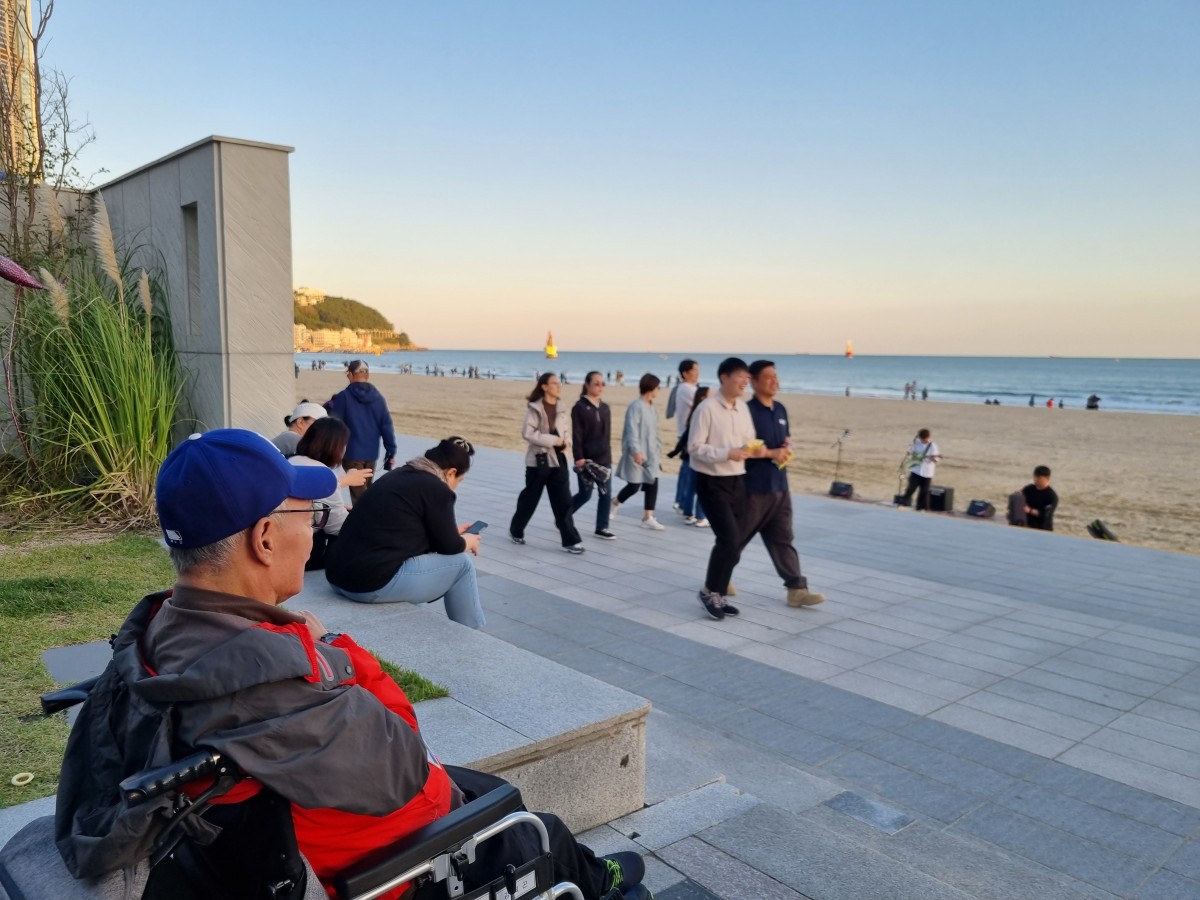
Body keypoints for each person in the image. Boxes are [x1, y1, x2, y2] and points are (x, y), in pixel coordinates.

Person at [53, 429, 650, 900]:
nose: (314, 533)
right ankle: (599, 884)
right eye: (308, 517)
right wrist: (336, 649)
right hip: (380, 868)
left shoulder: (157, 636)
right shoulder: (277, 680)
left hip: (270, 841)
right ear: (265, 538)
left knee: (492, 790)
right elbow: (407, 759)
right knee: (530, 824)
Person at [325, 437, 486, 627]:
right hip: (368, 585)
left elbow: (402, 529)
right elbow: (450, 546)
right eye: (460, 480)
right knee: (462, 564)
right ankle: (474, 634)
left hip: (338, 577)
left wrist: (451, 532)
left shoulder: (399, 475)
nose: (457, 485)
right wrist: (468, 541)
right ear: (451, 473)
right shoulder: (437, 488)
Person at [738, 361, 825, 607]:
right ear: (753, 381)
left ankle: (797, 589)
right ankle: (718, 580)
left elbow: (785, 439)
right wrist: (770, 453)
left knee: (783, 538)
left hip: (780, 486)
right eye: (768, 377)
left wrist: (786, 447)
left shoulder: (780, 410)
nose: (774, 381)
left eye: (775, 376)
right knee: (735, 539)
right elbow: (743, 448)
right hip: (753, 488)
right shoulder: (746, 412)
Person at [688, 357, 767, 620]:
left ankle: (718, 594)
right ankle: (708, 592)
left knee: (736, 540)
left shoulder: (742, 408)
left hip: (738, 479)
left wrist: (756, 449)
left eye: (748, 378)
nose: (745, 382)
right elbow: (694, 448)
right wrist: (726, 453)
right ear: (724, 377)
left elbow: (748, 440)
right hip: (711, 480)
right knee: (728, 538)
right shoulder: (707, 408)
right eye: (740, 377)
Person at [509, 373, 586, 554]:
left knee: (564, 501)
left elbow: (565, 431)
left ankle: (570, 541)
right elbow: (528, 433)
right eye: (555, 383)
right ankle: (516, 530)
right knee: (530, 499)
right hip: (539, 461)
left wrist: (567, 442)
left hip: (559, 460)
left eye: (559, 383)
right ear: (544, 386)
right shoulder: (535, 408)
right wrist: (554, 440)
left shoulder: (561, 407)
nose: (559, 386)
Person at [289, 416, 370, 570]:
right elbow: (337, 526)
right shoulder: (324, 476)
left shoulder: (291, 460)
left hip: (280, 536)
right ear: (336, 447)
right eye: (344, 444)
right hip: (299, 549)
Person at [326, 359, 396, 502]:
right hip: (371, 453)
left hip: (351, 452)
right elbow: (386, 426)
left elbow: (335, 425)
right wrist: (390, 451)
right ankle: (370, 513)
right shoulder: (378, 398)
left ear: (351, 375)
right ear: (367, 375)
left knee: (360, 496)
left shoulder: (344, 397)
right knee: (365, 492)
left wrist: (329, 450)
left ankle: (369, 515)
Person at [612, 373, 665, 530]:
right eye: (658, 387)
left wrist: (658, 449)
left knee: (653, 480)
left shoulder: (653, 409)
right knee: (634, 485)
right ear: (651, 388)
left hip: (652, 452)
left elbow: (656, 432)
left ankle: (648, 517)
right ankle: (615, 502)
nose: (659, 390)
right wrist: (636, 451)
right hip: (637, 452)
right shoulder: (636, 406)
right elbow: (631, 430)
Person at [570, 371, 616, 540]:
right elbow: (577, 434)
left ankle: (602, 527)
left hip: (604, 458)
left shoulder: (605, 408)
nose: (600, 387)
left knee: (606, 493)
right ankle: (563, 515)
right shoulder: (579, 407)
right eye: (596, 383)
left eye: (602, 383)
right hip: (586, 459)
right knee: (585, 494)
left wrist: (608, 455)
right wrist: (578, 457)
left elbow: (607, 435)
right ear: (587, 385)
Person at [666, 386, 709, 526]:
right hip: (700, 454)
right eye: (710, 395)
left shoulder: (694, 412)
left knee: (691, 485)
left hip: (691, 454)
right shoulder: (704, 413)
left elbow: (685, 435)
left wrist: (675, 451)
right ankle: (700, 517)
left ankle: (689, 515)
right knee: (702, 486)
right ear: (703, 398)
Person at [666, 359, 702, 522]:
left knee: (686, 470)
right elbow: (703, 406)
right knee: (689, 471)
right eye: (695, 370)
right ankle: (683, 503)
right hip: (689, 435)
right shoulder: (687, 389)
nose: (697, 373)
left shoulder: (685, 388)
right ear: (685, 373)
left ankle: (680, 502)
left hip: (686, 434)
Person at [899, 428, 940, 511]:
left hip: (927, 472)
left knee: (924, 491)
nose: (924, 441)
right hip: (916, 470)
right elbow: (909, 452)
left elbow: (936, 459)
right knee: (910, 488)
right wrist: (915, 454)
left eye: (926, 439)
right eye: (923, 439)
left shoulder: (933, 446)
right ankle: (904, 503)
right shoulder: (916, 442)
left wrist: (933, 459)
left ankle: (921, 507)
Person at [1019, 465, 1058, 531]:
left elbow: (1045, 515)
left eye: (1039, 477)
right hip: (1027, 525)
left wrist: (1030, 510)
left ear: (1047, 478)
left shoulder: (1052, 496)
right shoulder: (1029, 489)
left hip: (1043, 529)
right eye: (1035, 476)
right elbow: (1018, 495)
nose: (1036, 479)